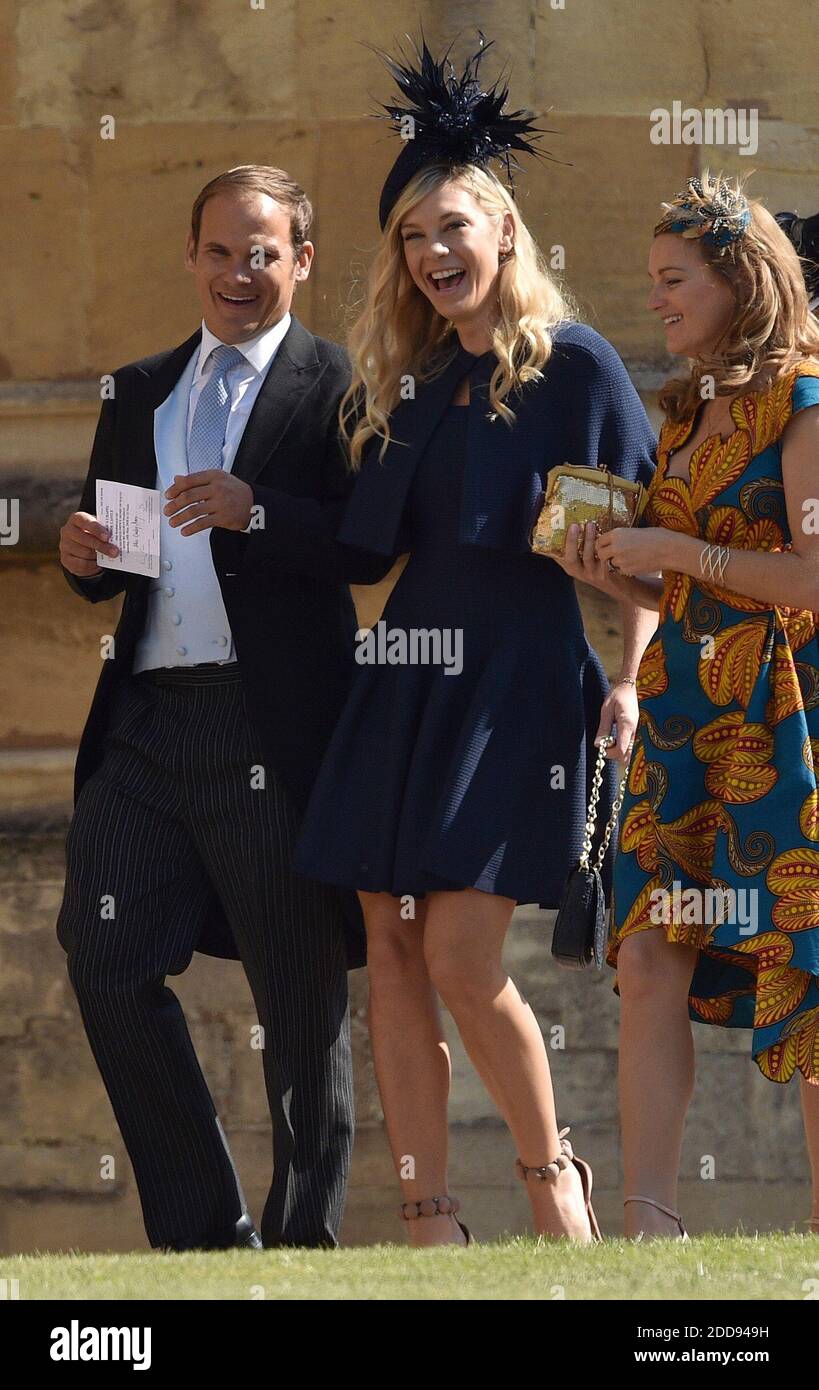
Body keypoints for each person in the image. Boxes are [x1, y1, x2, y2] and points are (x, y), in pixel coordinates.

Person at [290, 34, 658, 1245]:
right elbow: (362, 549)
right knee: (387, 951)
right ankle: (425, 1217)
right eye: (412, 236)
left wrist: (631, 673)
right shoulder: (409, 382)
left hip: (519, 678)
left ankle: (556, 1184)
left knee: (455, 950)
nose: (434, 253)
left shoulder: (580, 367)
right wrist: (249, 511)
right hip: (404, 672)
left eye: (453, 226)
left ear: (502, 231)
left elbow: (639, 538)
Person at [55, 165, 384, 1251]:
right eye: (219, 250)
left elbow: (368, 541)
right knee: (104, 957)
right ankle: (202, 1233)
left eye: (263, 251)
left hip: (269, 720)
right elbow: (119, 561)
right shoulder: (136, 388)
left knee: (299, 995)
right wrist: (82, 555)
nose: (239, 272)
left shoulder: (341, 379)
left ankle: (302, 1246)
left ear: (301, 260)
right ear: (191, 258)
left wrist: (260, 512)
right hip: (146, 721)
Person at [576, 172, 819, 1239]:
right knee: (648, 954)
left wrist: (670, 547)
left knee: (806, 964)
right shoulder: (682, 418)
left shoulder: (806, 401)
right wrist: (613, 568)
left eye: (676, 280)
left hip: (783, 726)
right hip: (681, 733)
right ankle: (648, 1227)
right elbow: (683, 587)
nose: (659, 301)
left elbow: (811, 578)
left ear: (738, 279)